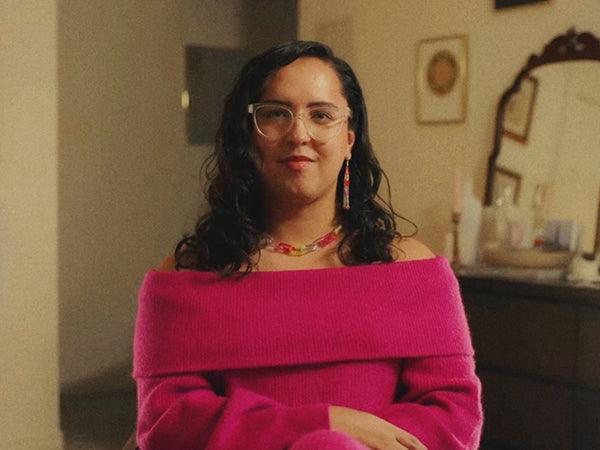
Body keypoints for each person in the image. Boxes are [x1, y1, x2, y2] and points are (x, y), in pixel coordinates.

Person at [133, 41, 483, 450]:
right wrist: (326, 424)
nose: (299, 134)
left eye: (321, 115)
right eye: (276, 114)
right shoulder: (187, 273)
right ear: (248, 134)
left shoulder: (411, 270)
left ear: (349, 139)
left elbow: (454, 415)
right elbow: (167, 424)